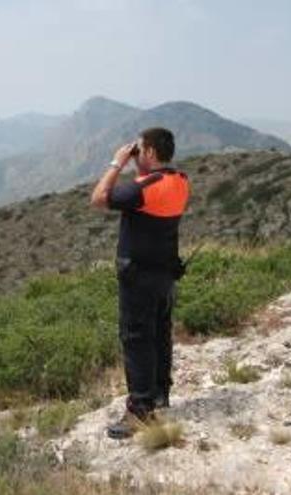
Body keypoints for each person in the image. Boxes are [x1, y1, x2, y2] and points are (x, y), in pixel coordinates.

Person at [90, 127, 190, 439]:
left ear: (148, 152)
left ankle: (140, 410)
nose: (135, 156)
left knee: (136, 339)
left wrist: (116, 163)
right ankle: (159, 394)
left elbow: (98, 199)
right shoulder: (181, 182)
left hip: (138, 277)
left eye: (139, 151)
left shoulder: (142, 188)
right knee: (160, 335)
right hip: (165, 275)